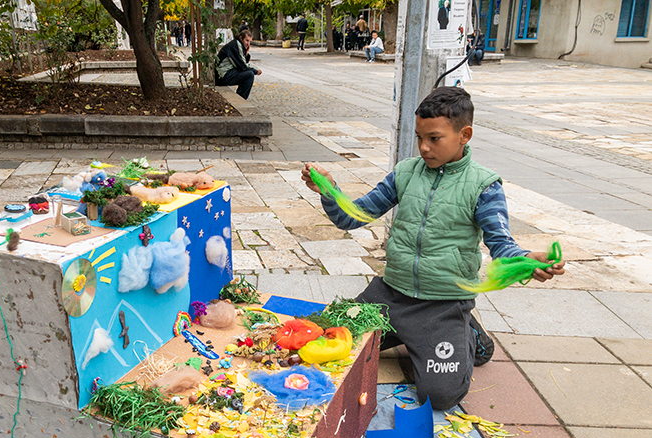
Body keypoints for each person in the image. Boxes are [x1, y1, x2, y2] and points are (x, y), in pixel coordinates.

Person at [301, 87, 565, 411]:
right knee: (319, 334)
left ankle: (468, 334)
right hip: (390, 296)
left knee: (439, 395)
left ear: (464, 135)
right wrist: (329, 189)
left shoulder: (483, 185)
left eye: (434, 138)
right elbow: (351, 217)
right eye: (419, 137)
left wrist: (524, 260)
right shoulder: (405, 173)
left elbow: (501, 243)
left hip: (441, 305)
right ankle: (406, 335)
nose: (424, 147)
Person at [215, 29, 262, 100]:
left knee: (248, 74)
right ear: (241, 38)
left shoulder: (237, 44)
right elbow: (242, 65)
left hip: (224, 73)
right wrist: (256, 70)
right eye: (247, 40)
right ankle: (240, 99)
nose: (248, 44)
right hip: (222, 76)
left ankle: (240, 98)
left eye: (250, 41)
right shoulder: (235, 45)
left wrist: (246, 54)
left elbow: (241, 63)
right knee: (249, 75)